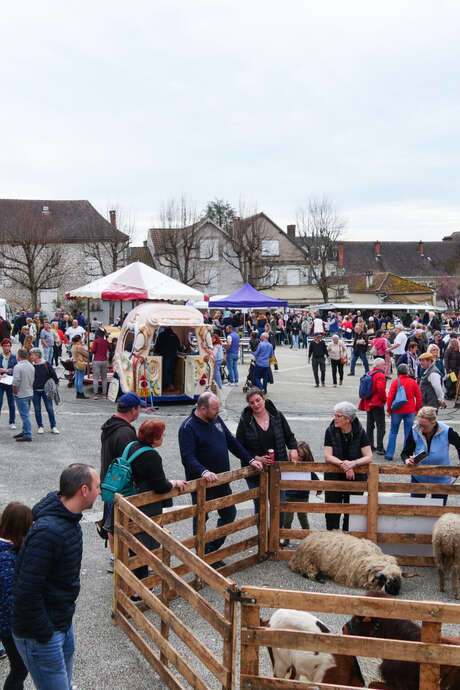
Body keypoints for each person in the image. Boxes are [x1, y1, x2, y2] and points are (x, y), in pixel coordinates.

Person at [12, 463, 101, 690]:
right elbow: (25, 592)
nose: (100, 491)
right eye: (97, 486)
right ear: (84, 490)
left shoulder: (69, 521)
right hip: (42, 633)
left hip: (60, 622)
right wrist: (46, 632)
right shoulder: (48, 533)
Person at [179, 392, 264, 563]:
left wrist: (250, 459)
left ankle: (209, 551)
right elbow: (187, 457)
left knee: (229, 514)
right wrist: (203, 471)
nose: (218, 412)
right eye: (215, 409)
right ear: (203, 409)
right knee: (202, 518)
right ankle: (202, 555)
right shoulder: (188, 427)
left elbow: (231, 442)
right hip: (202, 483)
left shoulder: (215, 420)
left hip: (222, 480)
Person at [123, 419, 187, 586]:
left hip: (128, 500)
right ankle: (140, 587)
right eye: (161, 434)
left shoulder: (131, 446)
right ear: (155, 438)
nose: (163, 437)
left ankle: (133, 579)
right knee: (145, 542)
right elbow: (160, 486)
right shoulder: (151, 455)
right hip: (145, 505)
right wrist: (173, 483)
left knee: (133, 542)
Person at [236, 387, 298, 514]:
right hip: (255, 470)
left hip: (277, 469)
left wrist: (293, 449)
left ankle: (276, 534)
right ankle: (262, 534)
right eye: (252, 402)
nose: (256, 404)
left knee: (279, 506)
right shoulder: (245, 421)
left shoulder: (277, 415)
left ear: (264, 399)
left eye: (258, 400)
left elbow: (289, 436)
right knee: (260, 507)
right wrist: (256, 458)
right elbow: (239, 447)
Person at [100, 393, 145, 566]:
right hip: (120, 486)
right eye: (139, 408)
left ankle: (115, 557)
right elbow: (130, 463)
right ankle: (120, 560)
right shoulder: (125, 432)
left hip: (109, 482)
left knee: (111, 523)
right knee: (118, 524)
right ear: (133, 410)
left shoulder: (110, 425)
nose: (139, 411)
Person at [324, 401, 372, 531]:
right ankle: (332, 541)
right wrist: (344, 464)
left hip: (355, 478)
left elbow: (369, 456)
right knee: (332, 512)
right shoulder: (330, 430)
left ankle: (348, 541)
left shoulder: (360, 431)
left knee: (351, 513)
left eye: (338, 416)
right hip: (334, 477)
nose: (335, 418)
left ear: (348, 419)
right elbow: (328, 456)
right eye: (335, 415)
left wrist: (353, 463)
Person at [0, 502, 33, 690]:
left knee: (18, 667)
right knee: (20, 668)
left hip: (6, 623)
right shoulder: (7, 558)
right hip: (8, 626)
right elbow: (11, 598)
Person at [403, 406, 460, 506]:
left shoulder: (447, 431)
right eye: (419, 424)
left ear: (433, 423)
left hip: (441, 479)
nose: (421, 428)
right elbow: (405, 452)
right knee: (415, 509)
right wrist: (407, 460)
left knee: (438, 511)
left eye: (424, 426)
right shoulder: (415, 430)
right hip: (419, 477)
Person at [282, 441, 321, 541]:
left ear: (306, 458)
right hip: (288, 496)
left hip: (302, 497)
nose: (298, 459)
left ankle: (307, 537)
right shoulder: (287, 466)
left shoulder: (307, 469)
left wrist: (319, 488)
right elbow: (279, 477)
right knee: (287, 519)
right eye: (297, 455)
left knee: (303, 517)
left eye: (301, 457)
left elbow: (315, 479)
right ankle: (286, 537)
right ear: (291, 454)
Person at [385, 363, 422, 461]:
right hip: (410, 410)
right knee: (408, 432)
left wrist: (389, 410)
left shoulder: (395, 382)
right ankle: (406, 454)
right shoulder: (413, 382)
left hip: (397, 410)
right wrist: (417, 409)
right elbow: (418, 397)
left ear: (397, 372)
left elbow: (390, 398)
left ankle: (389, 454)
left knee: (393, 431)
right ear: (407, 372)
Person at [358, 358, 387, 455]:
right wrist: (384, 400)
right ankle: (380, 447)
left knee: (370, 426)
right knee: (381, 426)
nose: (385, 366)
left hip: (368, 402)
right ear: (378, 366)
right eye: (383, 365)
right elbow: (381, 389)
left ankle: (370, 445)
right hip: (377, 403)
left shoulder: (370, 373)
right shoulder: (380, 375)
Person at [28, 348, 60, 435]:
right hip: (35, 391)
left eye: (32, 355)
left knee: (49, 408)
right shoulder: (31, 365)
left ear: (37, 355)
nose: (31, 356)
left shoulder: (46, 364)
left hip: (46, 391)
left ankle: (53, 426)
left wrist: (56, 382)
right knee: (37, 409)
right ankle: (40, 426)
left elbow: (53, 373)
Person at [12, 349, 35, 443]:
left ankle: (28, 434)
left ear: (19, 356)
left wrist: (15, 392)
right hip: (29, 392)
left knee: (24, 415)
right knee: (26, 413)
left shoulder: (18, 367)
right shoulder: (31, 366)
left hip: (21, 394)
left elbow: (16, 381)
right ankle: (24, 431)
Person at [154, 326, 181, 393]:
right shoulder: (175, 335)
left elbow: (157, 347)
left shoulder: (161, 335)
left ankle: (170, 386)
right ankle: (169, 385)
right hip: (173, 356)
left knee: (165, 371)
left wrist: (157, 352)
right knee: (170, 371)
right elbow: (178, 346)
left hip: (165, 356)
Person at [0, 338, 17, 430]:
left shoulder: (14, 357)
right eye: (5, 345)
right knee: (0, 402)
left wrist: (10, 370)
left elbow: (17, 368)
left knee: (11, 403)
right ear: (2, 347)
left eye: (8, 346)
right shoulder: (0, 356)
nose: (7, 347)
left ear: (10, 347)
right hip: (1, 382)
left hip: (10, 382)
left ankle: (12, 421)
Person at [91, 328, 111, 399]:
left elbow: (93, 350)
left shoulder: (96, 341)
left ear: (98, 334)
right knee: (104, 378)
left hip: (96, 360)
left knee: (95, 378)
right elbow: (111, 349)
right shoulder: (106, 342)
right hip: (104, 360)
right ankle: (104, 394)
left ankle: (95, 394)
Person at [71, 334, 89, 400]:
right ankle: (81, 393)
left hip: (75, 363)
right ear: (79, 340)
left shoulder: (73, 346)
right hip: (80, 363)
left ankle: (77, 392)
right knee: (80, 379)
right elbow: (86, 354)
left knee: (77, 378)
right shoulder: (79, 347)